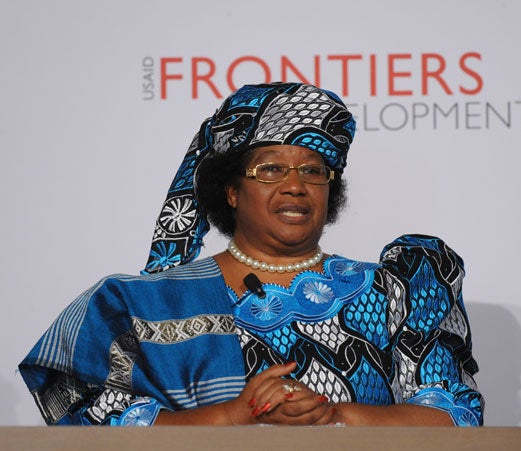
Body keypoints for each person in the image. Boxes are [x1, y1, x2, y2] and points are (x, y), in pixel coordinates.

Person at [19, 82, 484, 427]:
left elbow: (453, 417)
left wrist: (334, 414)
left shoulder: (397, 290)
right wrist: (233, 415)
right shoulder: (141, 304)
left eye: (314, 170)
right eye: (272, 169)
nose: (296, 185)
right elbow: (88, 421)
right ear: (232, 192)